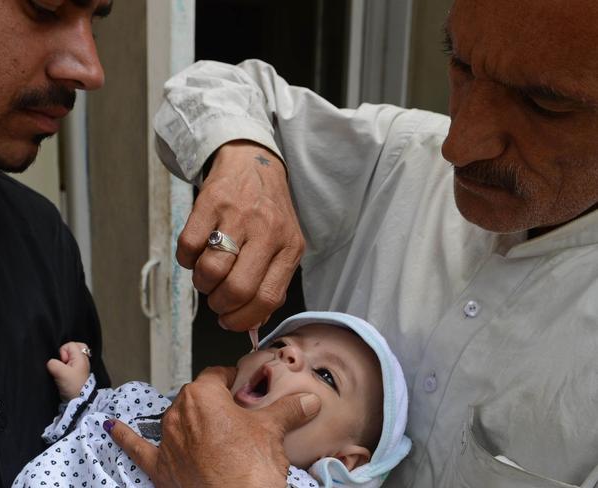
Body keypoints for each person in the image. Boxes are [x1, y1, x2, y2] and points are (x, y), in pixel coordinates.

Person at [108, 0, 598, 486]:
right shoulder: (401, 159)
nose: (458, 145)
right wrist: (247, 161)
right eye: (462, 64)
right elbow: (207, 89)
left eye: (544, 104)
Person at [0, 2, 115, 486]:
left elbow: (93, 440)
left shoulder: (40, 234)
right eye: (45, 8)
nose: (90, 69)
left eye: (95, 22)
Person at [13, 312, 411, 488]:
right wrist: (80, 390)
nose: (289, 355)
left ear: (341, 461)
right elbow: (105, 414)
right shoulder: (165, 407)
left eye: (326, 375)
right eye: (283, 343)